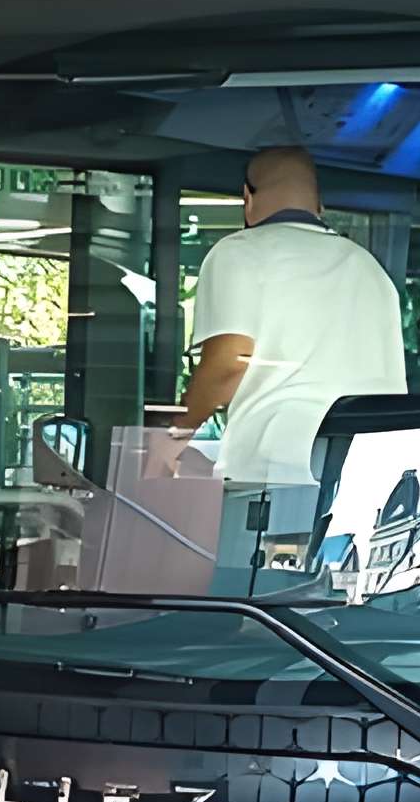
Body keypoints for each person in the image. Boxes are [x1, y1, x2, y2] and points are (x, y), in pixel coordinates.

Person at [170, 148, 406, 538]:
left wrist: (170, 439)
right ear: (320, 205)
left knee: (256, 592)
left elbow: (229, 362)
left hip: (274, 477)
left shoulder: (239, 253)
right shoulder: (369, 268)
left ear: (247, 198)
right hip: (368, 482)